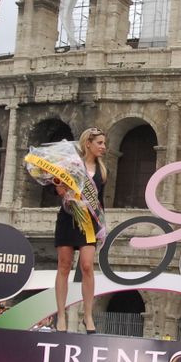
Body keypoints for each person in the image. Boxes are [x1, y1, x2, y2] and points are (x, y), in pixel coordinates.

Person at [52, 128, 107, 334]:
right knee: (64, 266)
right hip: (68, 218)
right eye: (100, 143)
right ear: (88, 144)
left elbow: (100, 201)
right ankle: (61, 316)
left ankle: (88, 316)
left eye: (103, 143)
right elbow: (56, 187)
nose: (103, 147)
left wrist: (102, 224)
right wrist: (60, 190)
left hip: (89, 223)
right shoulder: (73, 165)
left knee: (87, 266)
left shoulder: (102, 171)